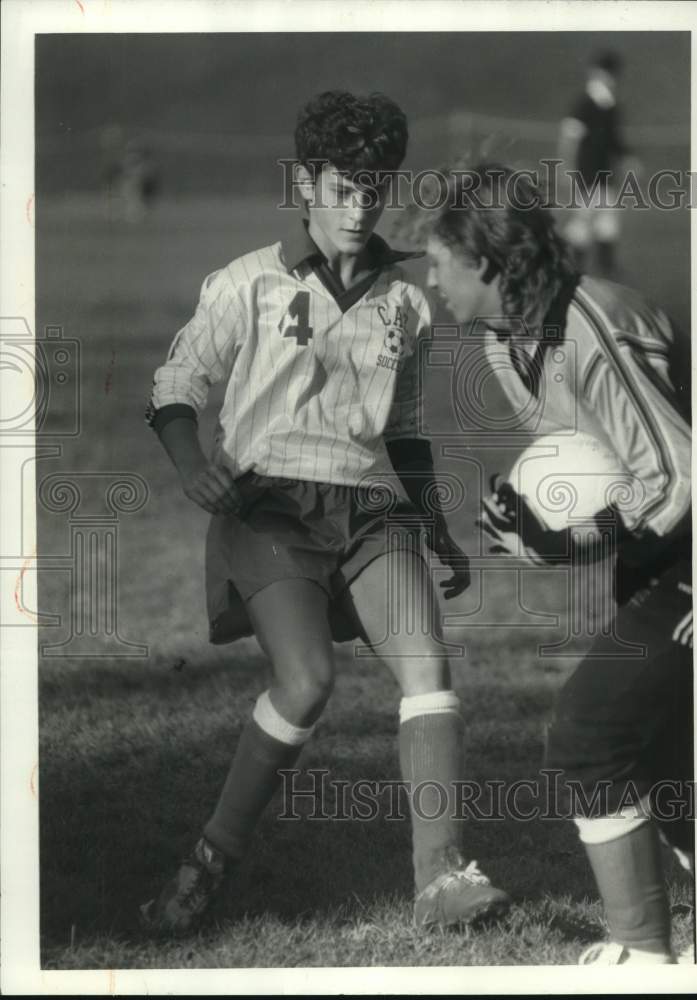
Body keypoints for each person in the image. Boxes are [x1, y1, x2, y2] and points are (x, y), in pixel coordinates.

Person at [141, 93, 511, 934]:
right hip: (266, 505)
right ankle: (207, 863)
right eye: (342, 189)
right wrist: (194, 467)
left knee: (427, 666)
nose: (358, 208)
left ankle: (441, 878)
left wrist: (436, 528)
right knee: (306, 683)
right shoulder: (247, 281)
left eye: (373, 190)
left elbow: (405, 428)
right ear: (306, 184)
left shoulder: (406, 301)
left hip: (368, 508)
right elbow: (175, 386)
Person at [421, 162, 693, 964]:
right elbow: (598, 474)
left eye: (439, 263)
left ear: (484, 262)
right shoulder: (503, 343)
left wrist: (571, 537)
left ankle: (642, 955)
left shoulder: (591, 325)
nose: (430, 281)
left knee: (589, 736)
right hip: (659, 554)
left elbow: (680, 477)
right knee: (661, 753)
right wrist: (537, 530)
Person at [559, 50, 640, 277]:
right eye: (604, 73)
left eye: (611, 74)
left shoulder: (611, 107)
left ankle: (606, 269)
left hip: (605, 174)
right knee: (583, 220)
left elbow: (614, 140)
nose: (609, 79)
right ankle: (571, 267)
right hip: (586, 173)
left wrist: (628, 158)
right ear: (595, 74)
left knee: (608, 220)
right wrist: (566, 168)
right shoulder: (584, 104)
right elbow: (569, 139)